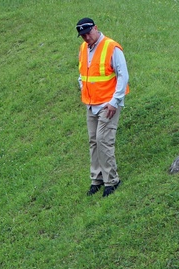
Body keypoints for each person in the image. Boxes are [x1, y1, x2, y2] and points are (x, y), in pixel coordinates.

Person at [76, 17, 129, 198]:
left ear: (96, 28)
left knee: (103, 140)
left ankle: (112, 181)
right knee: (93, 140)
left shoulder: (112, 47)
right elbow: (83, 72)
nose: (86, 38)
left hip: (108, 104)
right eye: (82, 35)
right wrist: (83, 86)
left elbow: (123, 75)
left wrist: (115, 101)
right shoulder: (83, 48)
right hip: (91, 103)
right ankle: (96, 179)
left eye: (88, 33)